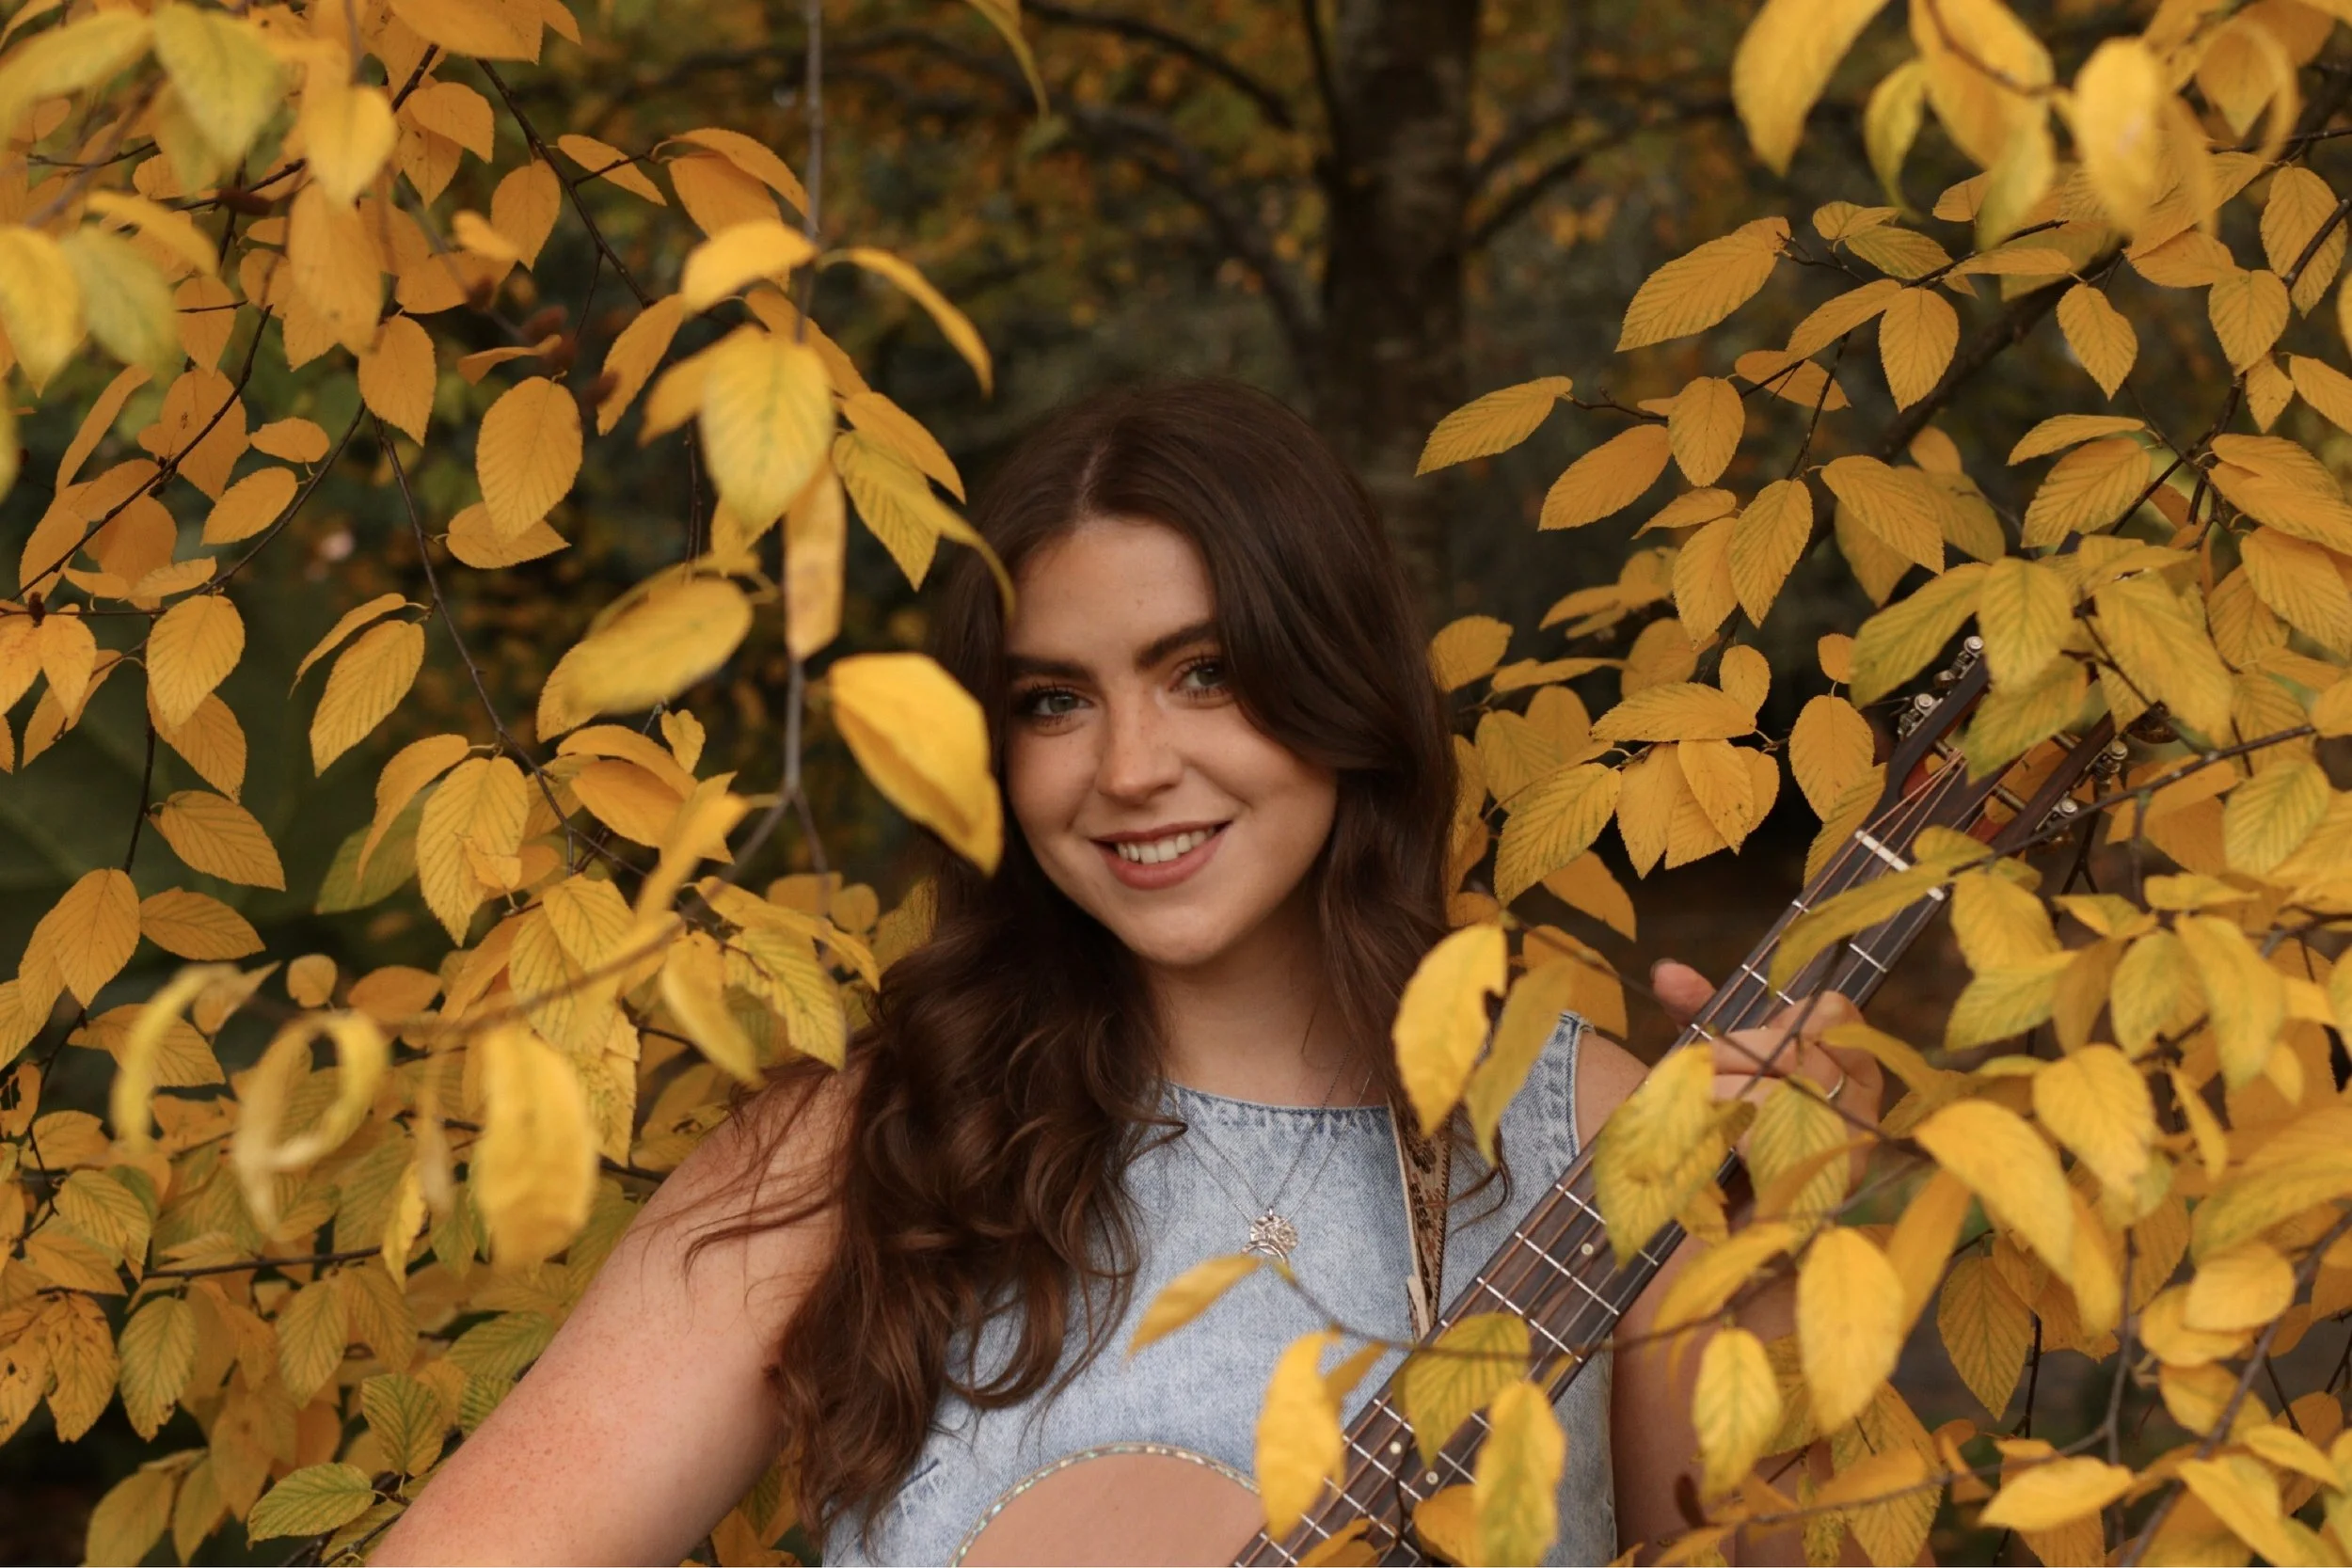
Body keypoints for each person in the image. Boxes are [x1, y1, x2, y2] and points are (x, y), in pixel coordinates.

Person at [373, 379, 1879, 1566]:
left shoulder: (1598, 1141)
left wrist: (1780, 1248)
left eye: (1201, 671)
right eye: (1054, 701)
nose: (1132, 769)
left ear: (1336, 684)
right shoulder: (872, 1149)